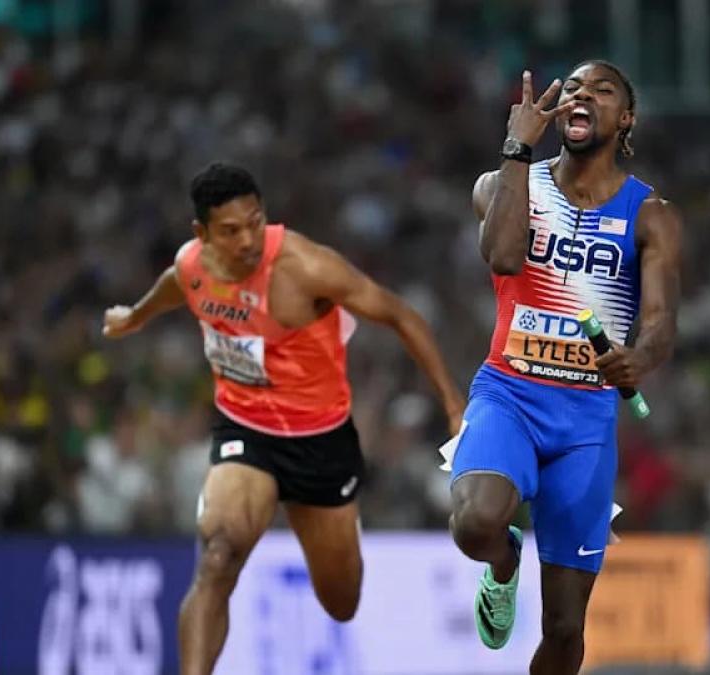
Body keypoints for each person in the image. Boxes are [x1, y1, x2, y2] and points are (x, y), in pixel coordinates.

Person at [102, 162, 465, 675]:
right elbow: (173, 285)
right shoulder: (192, 266)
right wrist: (133, 316)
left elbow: (400, 315)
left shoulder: (304, 266)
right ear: (201, 234)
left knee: (342, 601)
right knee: (217, 557)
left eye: (256, 221)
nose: (248, 239)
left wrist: (453, 404)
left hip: (321, 443)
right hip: (245, 432)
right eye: (231, 230)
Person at [445, 60, 682, 673]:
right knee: (475, 523)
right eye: (573, 87)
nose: (583, 95)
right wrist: (517, 147)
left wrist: (639, 358)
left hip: (585, 417)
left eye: (602, 91)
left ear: (625, 118)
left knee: (567, 629)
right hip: (510, 394)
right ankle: (503, 564)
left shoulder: (651, 213)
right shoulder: (503, 183)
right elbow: (501, 258)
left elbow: (660, 325)